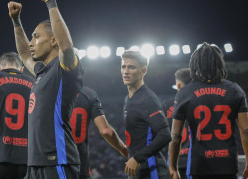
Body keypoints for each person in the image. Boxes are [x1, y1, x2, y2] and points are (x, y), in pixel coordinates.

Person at [8, 0, 84, 178]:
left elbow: (66, 47)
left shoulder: (64, 69)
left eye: (36, 37)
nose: (31, 43)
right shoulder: (42, 72)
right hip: (34, 163)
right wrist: (16, 21)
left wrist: (50, 2)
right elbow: (25, 55)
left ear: (53, 41)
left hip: (57, 160)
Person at [169, 43, 248, 179]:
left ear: (195, 64)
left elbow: (176, 136)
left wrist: (172, 168)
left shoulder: (185, 93)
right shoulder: (234, 90)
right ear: (219, 63)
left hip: (199, 165)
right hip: (227, 164)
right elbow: (245, 130)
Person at [121, 50, 171, 178]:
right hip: (137, 171)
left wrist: (136, 158)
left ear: (143, 71)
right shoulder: (129, 98)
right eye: (123, 66)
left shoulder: (148, 100)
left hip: (152, 171)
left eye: (131, 67)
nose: (126, 71)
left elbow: (165, 135)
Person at [71, 86, 128, 179]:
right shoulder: (88, 94)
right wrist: (122, 148)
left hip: (48, 163)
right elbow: (105, 131)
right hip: (78, 166)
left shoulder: (44, 91)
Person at [162, 68, 191, 179]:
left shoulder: (166, 105)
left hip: (174, 159)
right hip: (197, 159)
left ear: (178, 85)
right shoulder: (201, 101)